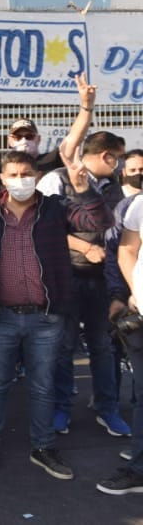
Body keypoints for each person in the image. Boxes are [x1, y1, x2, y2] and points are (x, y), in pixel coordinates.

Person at [0, 149, 111, 481]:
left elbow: (98, 221)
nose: (20, 180)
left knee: (42, 385)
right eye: (13, 175)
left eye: (26, 174)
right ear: (2, 179)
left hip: (46, 318)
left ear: (36, 176)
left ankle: (43, 446)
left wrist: (83, 189)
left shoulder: (54, 208)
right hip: (1, 315)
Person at [36, 130, 132, 438]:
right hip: (67, 278)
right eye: (117, 158)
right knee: (63, 347)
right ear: (106, 155)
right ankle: (62, 408)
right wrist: (84, 247)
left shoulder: (114, 187)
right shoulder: (56, 180)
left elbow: (116, 236)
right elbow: (43, 227)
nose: (119, 165)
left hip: (103, 280)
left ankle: (108, 409)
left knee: (103, 347)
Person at [97, 195, 143, 494]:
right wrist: (135, 290)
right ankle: (139, 468)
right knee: (141, 396)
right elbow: (127, 248)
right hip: (140, 314)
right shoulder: (139, 204)